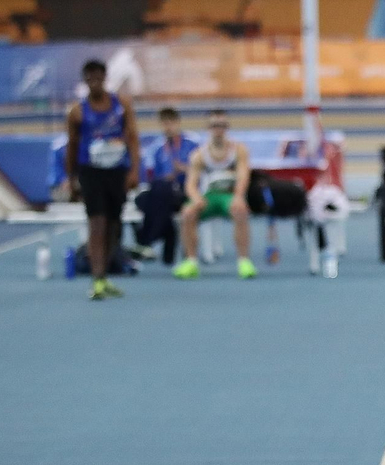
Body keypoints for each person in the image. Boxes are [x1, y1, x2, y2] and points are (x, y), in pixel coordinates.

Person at [65, 58, 140, 301]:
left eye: (99, 78)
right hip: (91, 172)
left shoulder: (121, 105)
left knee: (114, 225)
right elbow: (72, 146)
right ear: (85, 81)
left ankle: (104, 276)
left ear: (105, 78)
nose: (95, 82)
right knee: (97, 223)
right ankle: (96, 279)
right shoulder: (77, 111)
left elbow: (132, 137)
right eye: (90, 79)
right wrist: (71, 178)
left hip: (116, 172)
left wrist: (134, 170)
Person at [173, 111, 255, 280]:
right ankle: (191, 262)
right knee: (187, 212)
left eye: (222, 126)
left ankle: (244, 261)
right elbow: (191, 184)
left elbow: (243, 177)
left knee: (240, 210)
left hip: (228, 196)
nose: (218, 130)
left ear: (227, 128)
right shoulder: (199, 155)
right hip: (208, 197)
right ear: (209, 128)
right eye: (215, 126)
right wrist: (196, 199)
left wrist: (239, 197)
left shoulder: (238, 151)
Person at [131, 107, 199, 263]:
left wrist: (183, 169)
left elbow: (201, 171)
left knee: (160, 194)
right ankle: (166, 235)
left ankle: (145, 239)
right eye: (164, 123)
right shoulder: (158, 149)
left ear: (177, 123)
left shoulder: (191, 146)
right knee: (143, 198)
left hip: (185, 191)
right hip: (163, 193)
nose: (168, 127)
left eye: (170, 123)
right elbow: (153, 178)